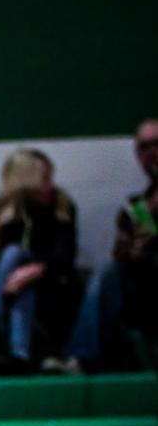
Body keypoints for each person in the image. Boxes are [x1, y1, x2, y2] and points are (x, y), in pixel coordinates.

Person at [0, 148, 79, 370]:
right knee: (13, 257)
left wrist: (33, 271)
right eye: (45, 179)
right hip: (3, 287)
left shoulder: (61, 207)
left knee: (16, 257)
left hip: (49, 286)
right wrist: (14, 275)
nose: (51, 185)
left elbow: (64, 257)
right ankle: (18, 352)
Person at [65, 120, 158, 372]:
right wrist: (139, 240)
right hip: (146, 288)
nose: (152, 152)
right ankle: (82, 358)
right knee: (106, 273)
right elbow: (122, 256)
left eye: (156, 144)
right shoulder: (136, 206)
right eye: (144, 147)